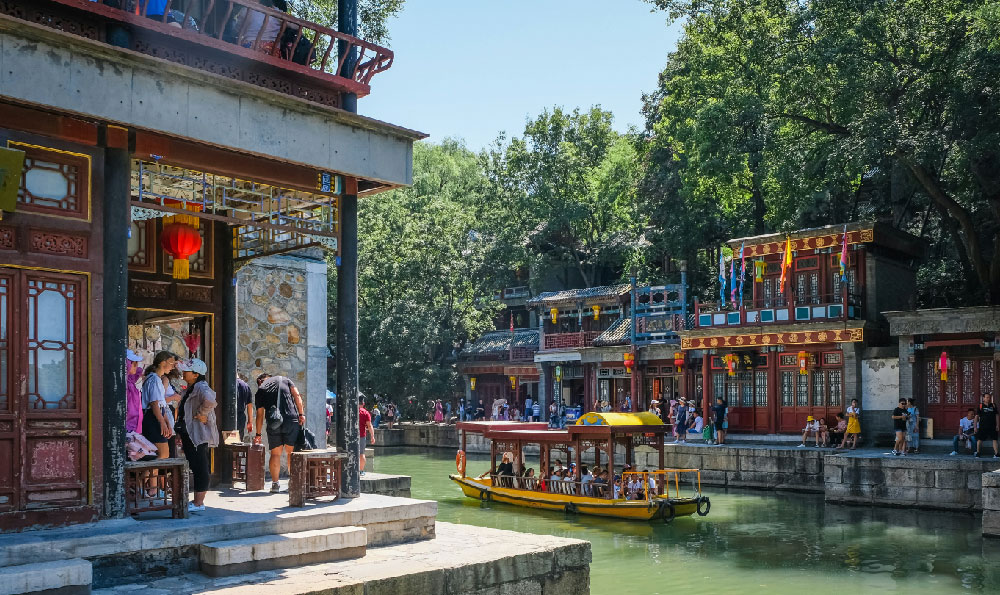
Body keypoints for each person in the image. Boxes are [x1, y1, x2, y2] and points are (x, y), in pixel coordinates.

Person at [176, 359, 217, 512]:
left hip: (198, 433)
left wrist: (202, 414)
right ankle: (197, 501)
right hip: (189, 432)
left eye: (187, 370)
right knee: (195, 463)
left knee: (200, 466)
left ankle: (199, 502)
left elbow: (210, 400)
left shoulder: (201, 387)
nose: (184, 373)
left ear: (195, 374)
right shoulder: (191, 388)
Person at [253, 373, 306, 493]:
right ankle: (293, 483)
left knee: (275, 454)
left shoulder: (261, 389)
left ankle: (275, 484)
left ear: (261, 381)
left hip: (274, 422)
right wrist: (301, 414)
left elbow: (260, 415)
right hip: (291, 420)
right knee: (290, 453)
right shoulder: (285, 380)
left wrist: (258, 434)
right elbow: (297, 395)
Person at [140, 351, 177, 459]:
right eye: (171, 363)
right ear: (162, 363)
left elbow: (161, 405)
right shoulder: (154, 379)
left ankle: (152, 476)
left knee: (161, 456)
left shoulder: (158, 380)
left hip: (158, 415)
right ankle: (150, 476)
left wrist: (167, 423)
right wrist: (162, 422)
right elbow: (154, 403)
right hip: (153, 417)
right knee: (162, 455)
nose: (172, 367)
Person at [125, 349, 144, 433]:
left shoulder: (130, 381)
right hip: (128, 428)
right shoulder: (125, 385)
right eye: (134, 364)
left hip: (135, 427)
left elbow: (136, 373)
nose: (136, 366)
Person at [975, 393, 999, 458]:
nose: (988, 399)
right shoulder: (980, 406)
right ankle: (978, 452)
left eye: (989, 397)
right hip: (983, 426)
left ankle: (996, 454)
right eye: (987, 397)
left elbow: (996, 415)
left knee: (995, 439)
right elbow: (976, 417)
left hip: (992, 426)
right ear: (983, 398)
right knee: (980, 439)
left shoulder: (993, 405)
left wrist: (997, 425)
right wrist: (975, 427)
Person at [236, 373, 254, 441]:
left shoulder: (228, 384)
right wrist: (250, 422)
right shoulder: (245, 386)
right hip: (240, 418)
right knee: (237, 442)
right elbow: (249, 405)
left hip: (227, 417)